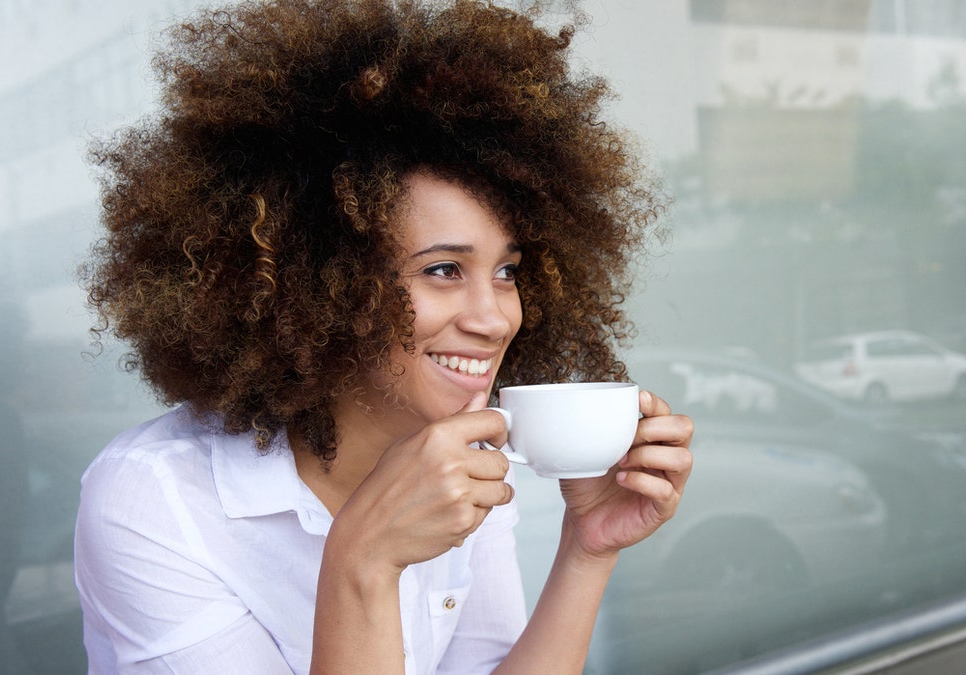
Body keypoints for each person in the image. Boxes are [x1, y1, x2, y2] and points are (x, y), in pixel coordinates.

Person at [74, 0, 693, 673]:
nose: (494, 317)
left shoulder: (463, 453)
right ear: (317, 283)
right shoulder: (154, 502)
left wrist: (587, 547)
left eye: (508, 270)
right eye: (444, 269)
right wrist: (363, 560)